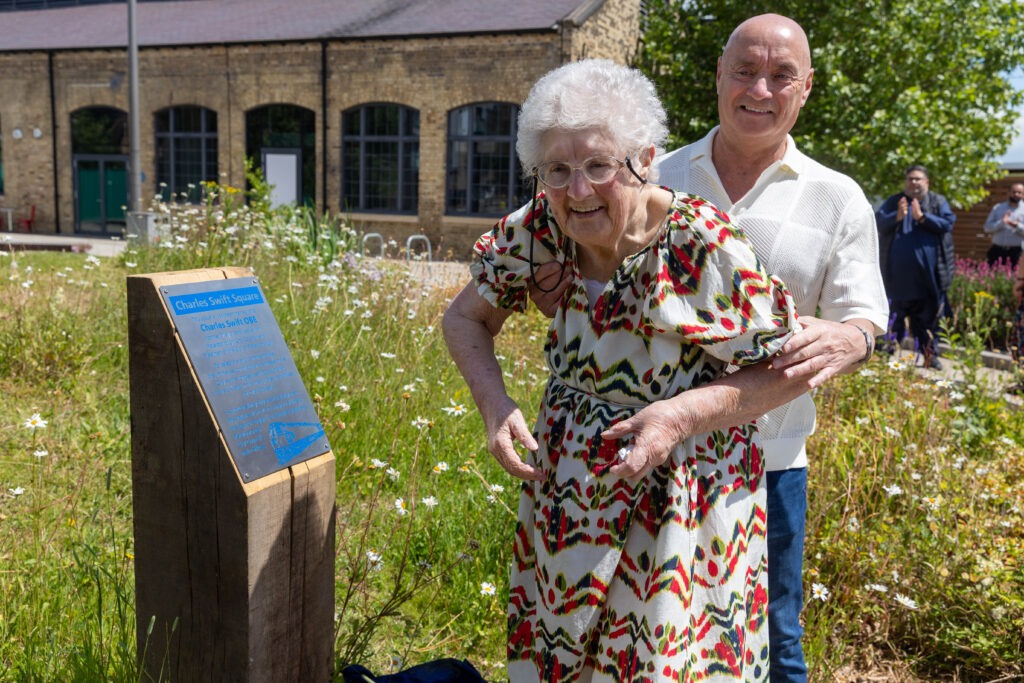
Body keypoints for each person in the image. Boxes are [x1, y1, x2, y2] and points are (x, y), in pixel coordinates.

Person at [530, 15, 889, 683]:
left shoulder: (838, 198)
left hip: (767, 458)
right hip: (636, 457)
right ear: (718, 79)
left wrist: (850, 335)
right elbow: (569, 248)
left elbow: (865, 316)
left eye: (781, 75)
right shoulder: (649, 171)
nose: (760, 88)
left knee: (763, 641)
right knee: (624, 642)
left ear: (806, 88)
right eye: (745, 71)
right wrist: (550, 283)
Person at [443, 58, 801, 681]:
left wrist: (681, 414)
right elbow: (463, 320)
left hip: (685, 489)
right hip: (568, 492)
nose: (577, 190)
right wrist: (496, 408)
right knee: (561, 657)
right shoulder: (537, 231)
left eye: (598, 167)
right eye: (557, 169)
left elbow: (787, 368)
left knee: (660, 659)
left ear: (644, 158)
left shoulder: (701, 244)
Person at [876, 165, 956, 369]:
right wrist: (897, 217)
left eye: (918, 179)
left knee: (928, 323)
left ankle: (930, 357)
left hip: (927, 281)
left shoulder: (937, 202)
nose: (914, 183)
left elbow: (947, 223)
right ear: (905, 182)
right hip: (896, 281)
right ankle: (885, 357)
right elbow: (877, 222)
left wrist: (922, 217)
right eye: (910, 179)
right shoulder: (896, 201)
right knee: (892, 322)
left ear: (927, 182)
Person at [983, 182, 1024, 268]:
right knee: (992, 277)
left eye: (1019, 192)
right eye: (1013, 192)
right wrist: (1001, 223)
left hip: (1017, 252)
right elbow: (987, 228)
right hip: (997, 250)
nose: (1016, 194)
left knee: (1016, 279)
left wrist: (1017, 226)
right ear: (1009, 192)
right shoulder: (998, 208)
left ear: (1023, 194)